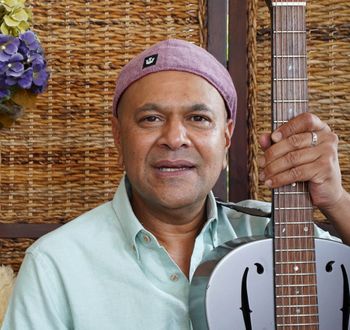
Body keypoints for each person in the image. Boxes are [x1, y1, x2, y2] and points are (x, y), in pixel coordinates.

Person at [2, 39, 350, 330]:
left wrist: (336, 200)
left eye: (198, 118)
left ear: (226, 136)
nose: (174, 138)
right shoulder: (56, 264)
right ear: (118, 135)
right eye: (150, 118)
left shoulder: (280, 235)